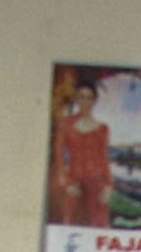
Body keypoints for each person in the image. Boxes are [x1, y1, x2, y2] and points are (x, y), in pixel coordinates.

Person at [48, 75, 115, 230]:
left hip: (98, 182)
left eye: (89, 98)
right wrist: (66, 182)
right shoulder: (65, 124)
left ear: (94, 101)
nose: (85, 102)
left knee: (99, 227)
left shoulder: (102, 128)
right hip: (74, 180)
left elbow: (104, 158)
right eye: (81, 97)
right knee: (70, 225)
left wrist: (109, 185)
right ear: (76, 99)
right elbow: (59, 155)